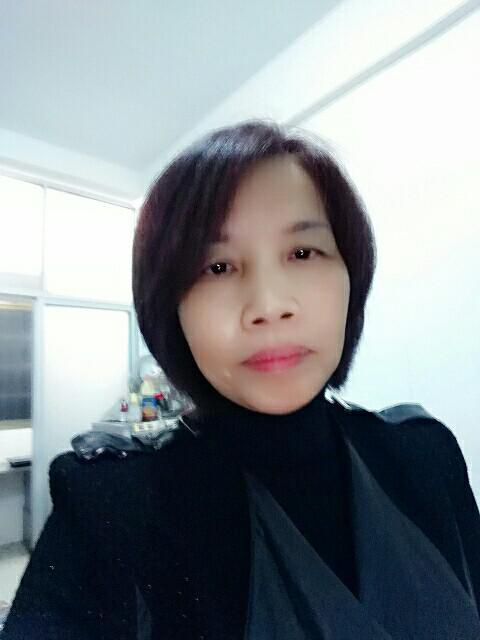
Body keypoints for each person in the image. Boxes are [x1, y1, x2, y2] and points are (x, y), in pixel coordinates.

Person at [3, 120, 480, 639]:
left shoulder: (425, 456)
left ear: (352, 275)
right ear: (170, 306)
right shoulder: (114, 510)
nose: (269, 306)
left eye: (303, 253)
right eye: (218, 267)